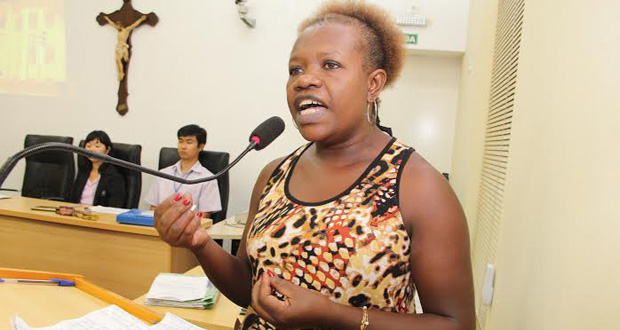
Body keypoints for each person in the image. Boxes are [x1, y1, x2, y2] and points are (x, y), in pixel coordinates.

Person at [154, 1, 475, 329]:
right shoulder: (273, 175)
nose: (305, 80)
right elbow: (248, 288)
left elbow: (457, 324)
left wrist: (332, 314)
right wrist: (200, 244)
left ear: (373, 84)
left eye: (331, 65)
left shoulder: (418, 185)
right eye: (295, 69)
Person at [145, 124, 221, 219]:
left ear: (200, 146)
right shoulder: (163, 174)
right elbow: (153, 208)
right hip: (159, 229)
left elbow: (204, 215)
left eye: (189, 142)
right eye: (180, 141)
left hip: (189, 230)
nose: (183, 147)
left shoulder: (208, 179)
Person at [69, 130, 126, 208]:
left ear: (107, 150)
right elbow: (72, 200)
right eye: (88, 146)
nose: (92, 149)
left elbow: (114, 206)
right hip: (78, 214)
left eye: (97, 146)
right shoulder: (83, 171)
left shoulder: (114, 176)